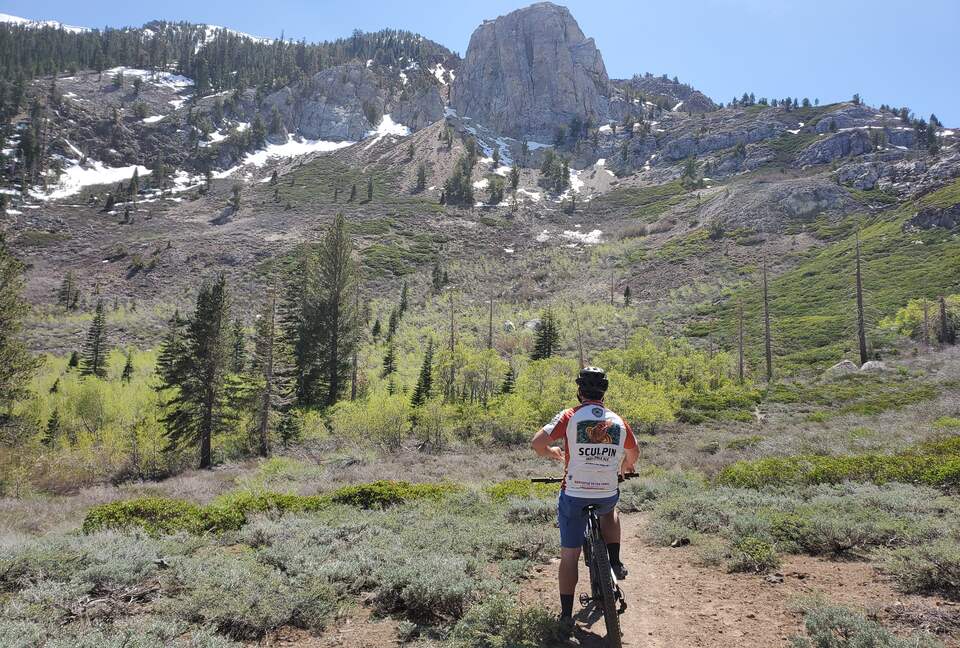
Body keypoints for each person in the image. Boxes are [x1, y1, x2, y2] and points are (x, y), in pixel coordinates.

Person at [530, 366, 639, 629]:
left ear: (579, 392)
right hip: (605, 491)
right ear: (604, 392)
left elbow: (537, 443)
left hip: (574, 492)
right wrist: (625, 468)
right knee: (610, 509)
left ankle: (566, 616)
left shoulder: (570, 415)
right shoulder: (617, 420)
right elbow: (634, 452)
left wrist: (552, 452)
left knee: (569, 555)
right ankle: (615, 560)